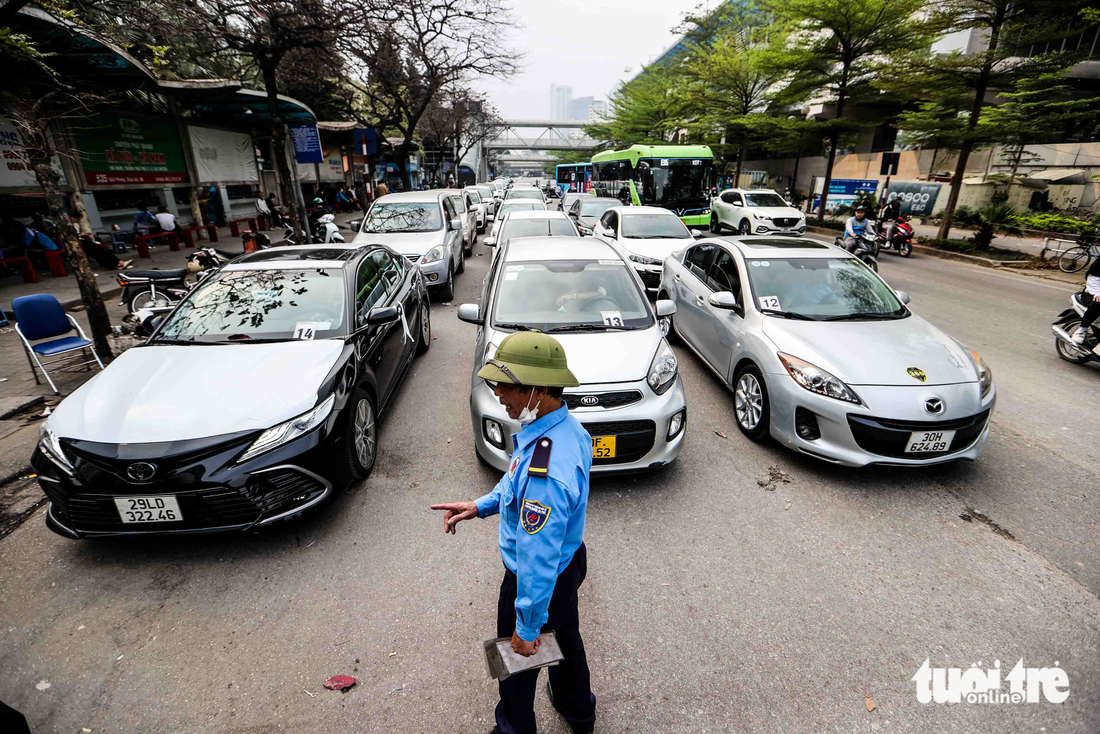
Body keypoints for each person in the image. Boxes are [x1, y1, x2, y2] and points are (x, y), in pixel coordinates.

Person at [430, 332, 597, 734]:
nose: (499, 393)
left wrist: (525, 629)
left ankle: (513, 729)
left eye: (506, 385)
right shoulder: (563, 430)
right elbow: (514, 483)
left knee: (518, 666)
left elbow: (536, 558)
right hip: (568, 563)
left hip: (538, 577)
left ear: (537, 389)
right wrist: (480, 505)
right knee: (566, 642)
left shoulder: (547, 469)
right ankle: (579, 711)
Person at [1072, 256, 1100, 344]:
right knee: (1097, 304)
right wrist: (1098, 293)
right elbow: (1092, 279)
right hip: (1092, 292)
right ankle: (1081, 330)